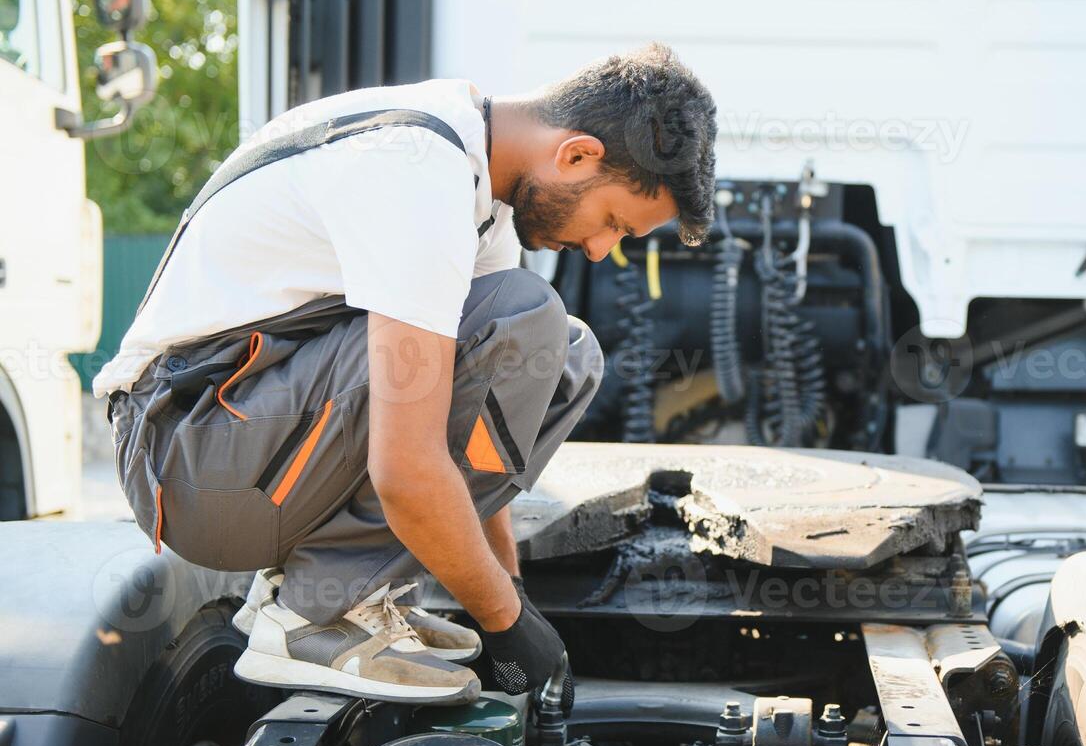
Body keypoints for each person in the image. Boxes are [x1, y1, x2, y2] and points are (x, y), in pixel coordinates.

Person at [96, 43, 718, 704]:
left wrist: (514, 598)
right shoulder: (416, 166)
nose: (599, 249)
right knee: (526, 318)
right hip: (187, 458)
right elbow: (407, 464)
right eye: (612, 222)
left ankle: (348, 593)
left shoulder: (477, 184)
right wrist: (503, 621)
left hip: (239, 444)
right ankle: (311, 615)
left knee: (563, 354)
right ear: (576, 155)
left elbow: (483, 433)